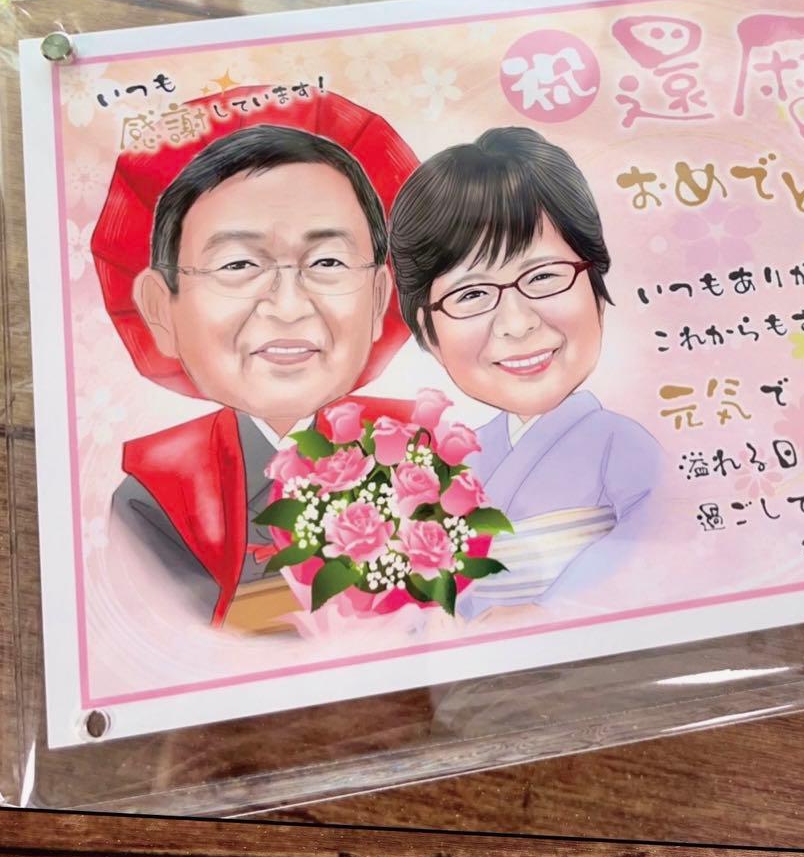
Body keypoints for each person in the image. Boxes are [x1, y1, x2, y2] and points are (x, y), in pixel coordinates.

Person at [98, 93, 418, 627]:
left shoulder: (424, 456)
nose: (289, 307)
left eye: (328, 262)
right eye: (238, 264)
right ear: (161, 309)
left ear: (380, 297)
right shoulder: (156, 498)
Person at [388, 126, 663, 617]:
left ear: (596, 285)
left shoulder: (620, 445)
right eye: (472, 294)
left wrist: (551, 612)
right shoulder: (458, 463)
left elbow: (661, 552)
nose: (517, 323)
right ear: (427, 330)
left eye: (543, 276)